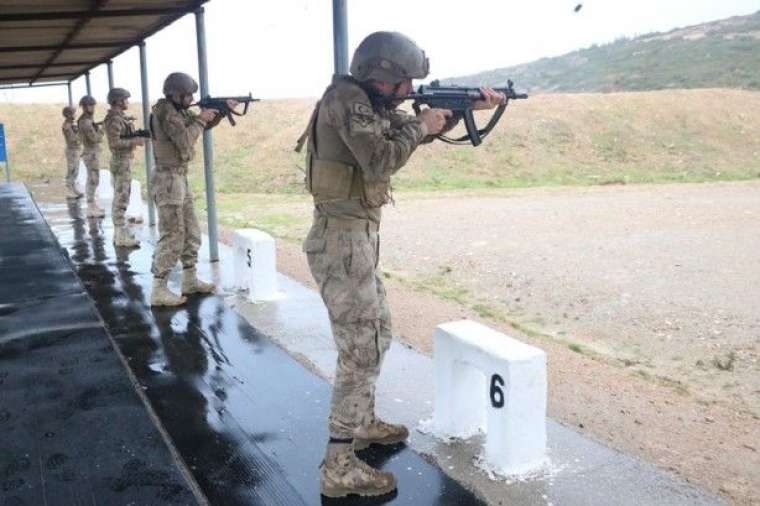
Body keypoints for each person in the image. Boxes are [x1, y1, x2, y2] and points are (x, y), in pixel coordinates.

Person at [297, 31, 505, 498]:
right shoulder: (347, 101)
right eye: (405, 83)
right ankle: (338, 465)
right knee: (361, 350)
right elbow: (381, 158)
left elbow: (395, 136)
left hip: (355, 239)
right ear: (380, 76)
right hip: (342, 241)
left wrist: (455, 115)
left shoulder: (360, 101)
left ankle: (362, 421)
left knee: (379, 331)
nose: (409, 92)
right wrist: (423, 124)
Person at [149, 72, 230, 306]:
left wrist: (219, 113)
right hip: (168, 180)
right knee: (172, 233)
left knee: (191, 231)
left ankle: (189, 279)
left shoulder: (178, 111)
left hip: (178, 178)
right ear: (177, 94)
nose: (191, 98)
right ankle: (158, 289)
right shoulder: (166, 113)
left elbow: (199, 126)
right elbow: (185, 140)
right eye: (188, 94)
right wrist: (202, 119)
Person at [104, 87, 144, 248]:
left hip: (123, 160)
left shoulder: (119, 118)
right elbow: (114, 143)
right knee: (121, 197)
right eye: (125, 99)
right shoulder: (114, 119)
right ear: (119, 101)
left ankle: (120, 232)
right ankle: (120, 234)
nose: (127, 102)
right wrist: (134, 141)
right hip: (121, 161)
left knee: (122, 195)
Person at [77, 95, 106, 218]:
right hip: (91, 153)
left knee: (93, 179)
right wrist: (102, 129)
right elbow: (95, 138)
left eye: (93, 105)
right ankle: (91, 207)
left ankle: (93, 205)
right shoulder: (86, 121)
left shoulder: (86, 120)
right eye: (90, 105)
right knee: (93, 180)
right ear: (84, 107)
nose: (92, 107)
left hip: (91, 153)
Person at [61, 106, 83, 200]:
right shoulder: (67, 126)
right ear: (69, 115)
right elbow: (73, 139)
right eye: (73, 113)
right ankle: (69, 191)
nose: (75, 115)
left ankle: (73, 189)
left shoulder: (72, 125)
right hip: (72, 150)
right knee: (71, 171)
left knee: (75, 171)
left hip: (76, 150)